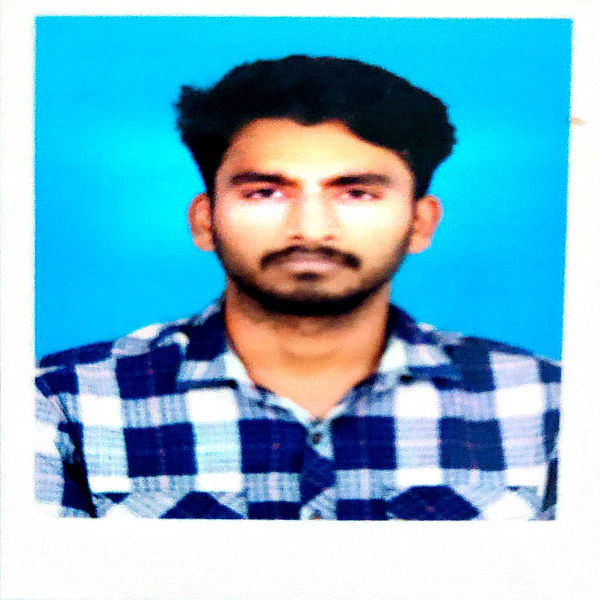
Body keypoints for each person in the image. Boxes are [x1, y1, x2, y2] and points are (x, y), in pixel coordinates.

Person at [35, 55, 560, 520]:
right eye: (266, 192)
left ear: (421, 223)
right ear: (204, 220)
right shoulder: (63, 400)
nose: (310, 229)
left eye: (356, 193)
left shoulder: (552, 403)